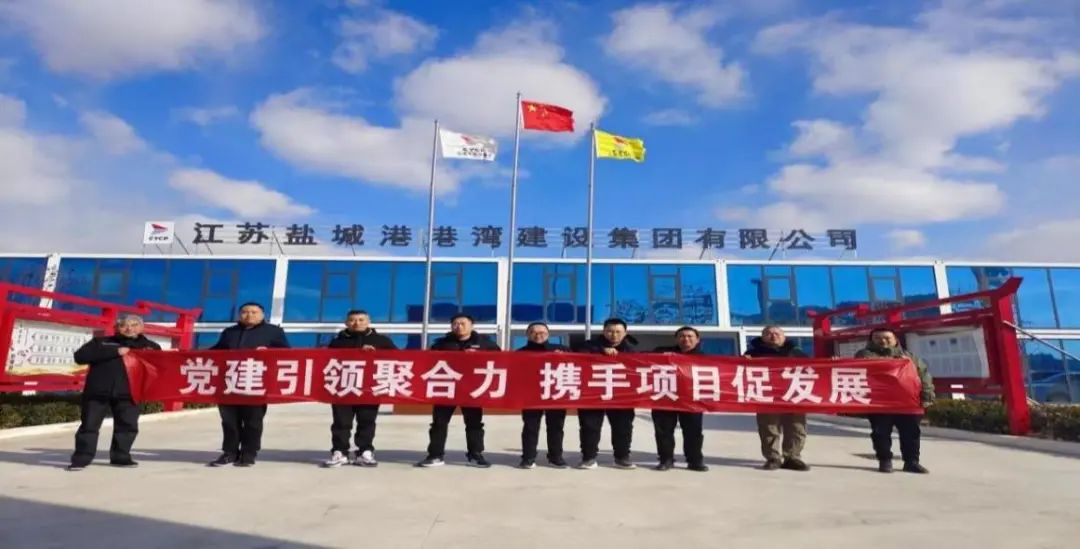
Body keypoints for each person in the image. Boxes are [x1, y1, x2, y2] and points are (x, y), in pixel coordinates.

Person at [67, 314, 161, 471]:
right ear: (116, 328)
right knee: (89, 426)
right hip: (98, 393)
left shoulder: (151, 347)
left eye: (134, 324)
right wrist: (115, 352)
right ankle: (81, 459)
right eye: (124, 325)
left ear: (141, 327)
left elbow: (159, 368)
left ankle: (120, 457)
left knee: (127, 427)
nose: (129, 328)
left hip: (130, 394)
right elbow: (80, 357)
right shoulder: (101, 342)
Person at [207, 302, 289, 468]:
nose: (249, 315)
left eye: (254, 312)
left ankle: (249, 454)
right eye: (245, 312)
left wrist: (269, 352)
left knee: (253, 421)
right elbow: (216, 351)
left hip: (256, 383)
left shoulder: (274, 332)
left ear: (262, 315)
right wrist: (184, 354)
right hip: (229, 383)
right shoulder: (230, 332)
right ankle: (229, 453)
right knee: (229, 421)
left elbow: (287, 354)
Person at [416, 314, 500, 468]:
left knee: (474, 423)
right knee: (439, 423)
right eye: (455, 323)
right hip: (446, 388)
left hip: (472, 389)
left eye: (462, 323)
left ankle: (475, 455)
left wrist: (480, 356)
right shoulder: (441, 344)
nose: (459, 326)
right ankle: (435, 455)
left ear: (471, 325)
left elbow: (500, 361)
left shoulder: (485, 344)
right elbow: (428, 362)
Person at [323, 310, 397, 468]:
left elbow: (398, 360)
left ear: (368, 321)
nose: (357, 323)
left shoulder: (382, 341)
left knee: (367, 422)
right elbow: (326, 363)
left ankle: (365, 452)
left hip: (369, 389)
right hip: (343, 389)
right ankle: (340, 452)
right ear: (346, 323)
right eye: (352, 320)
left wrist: (376, 354)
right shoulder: (337, 342)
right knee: (341, 422)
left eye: (361, 320)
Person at [856, 328, 935, 474]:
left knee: (911, 433)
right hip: (880, 404)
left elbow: (923, 375)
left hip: (907, 403)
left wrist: (927, 395)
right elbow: (855, 370)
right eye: (878, 338)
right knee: (880, 433)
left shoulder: (909, 356)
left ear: (895, 339)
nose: (882, 341)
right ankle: (885, 460)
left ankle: (911, 462)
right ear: (871, 340)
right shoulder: (863, 355)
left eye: (887, 337)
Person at [574, 318, 638, 470]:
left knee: (623, 427)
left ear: (625, 333)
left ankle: (622, 457)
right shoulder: (588, 345)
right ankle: (589, 457)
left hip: (620, 395)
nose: (614, 335)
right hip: (592, 393)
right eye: (610, 331)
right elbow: (578, 357)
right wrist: (601, 351)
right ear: (603, 331)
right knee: (589, 426)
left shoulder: (632, 350)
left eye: (618, 332)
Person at [745, 325, 810, 471]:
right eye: (769, 334)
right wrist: (744, 361)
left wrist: (833, 362)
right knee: (769, 428)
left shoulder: (796, 352)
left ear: (784, 337)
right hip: (767, 396)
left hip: (793, 395)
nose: (773, 336)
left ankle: (793, 457)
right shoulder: (753, 353)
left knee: (796, 427)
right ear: (763, 337)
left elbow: (814, 368)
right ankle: (773, 458)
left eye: (777, 333)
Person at [652, 326, 709, 472]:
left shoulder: (705, 358)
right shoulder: (662, 352)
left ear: (697, 340)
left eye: (690, 336)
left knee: (693, 432)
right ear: (676, 339)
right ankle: (666, 459)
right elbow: (640, 357)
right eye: (682, 336)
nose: (686, 339)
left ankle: (695, 461)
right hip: (665, 397)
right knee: (663, 431)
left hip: (691, 400)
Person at [516, 322, 569, 469]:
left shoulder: (562, 350)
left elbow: (575, 367)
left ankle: (555, 456)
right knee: (530, 427)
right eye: (534, 332)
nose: (538, 335)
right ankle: (528, 457)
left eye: (542, 333)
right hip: (531, 395)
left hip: (556, 394)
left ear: (548, 334)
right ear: (527, 335)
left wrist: (564, 358)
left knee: (556, 427)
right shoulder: (520, 353)